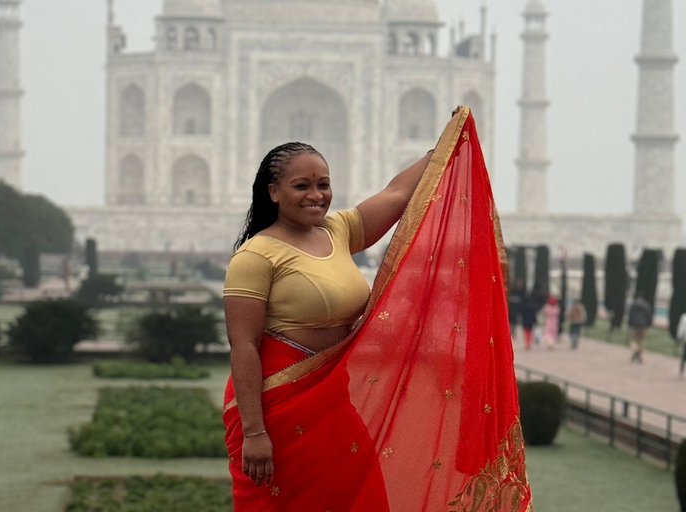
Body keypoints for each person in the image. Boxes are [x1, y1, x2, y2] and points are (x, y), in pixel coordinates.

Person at [222, 108, 532, 511]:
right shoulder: (256, 255)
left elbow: (396, 196)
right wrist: (254, 432)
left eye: (323, 184)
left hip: (330, 400)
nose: (316, 195)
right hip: (277, 407)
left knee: (360, 495)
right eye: (302, 185)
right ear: (273, 192)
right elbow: (243, 346)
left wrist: (442, 149)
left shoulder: (337, 232)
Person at [628, 292, 653, 363]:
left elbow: (631, 315)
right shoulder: (647, 305)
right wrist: (648, 324)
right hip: (643, 325)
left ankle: (635, 350)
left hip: (634, 325)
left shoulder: (633, 305)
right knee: (641, 341)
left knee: (633, 339)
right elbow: (649, 316)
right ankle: (639, 356)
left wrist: (629, 323)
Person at [677, 312, 686, 377]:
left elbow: (681, 328)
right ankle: (681, 367)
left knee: (684, 355)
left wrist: (679, 337)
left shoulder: (684, 317)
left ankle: (681, 368)